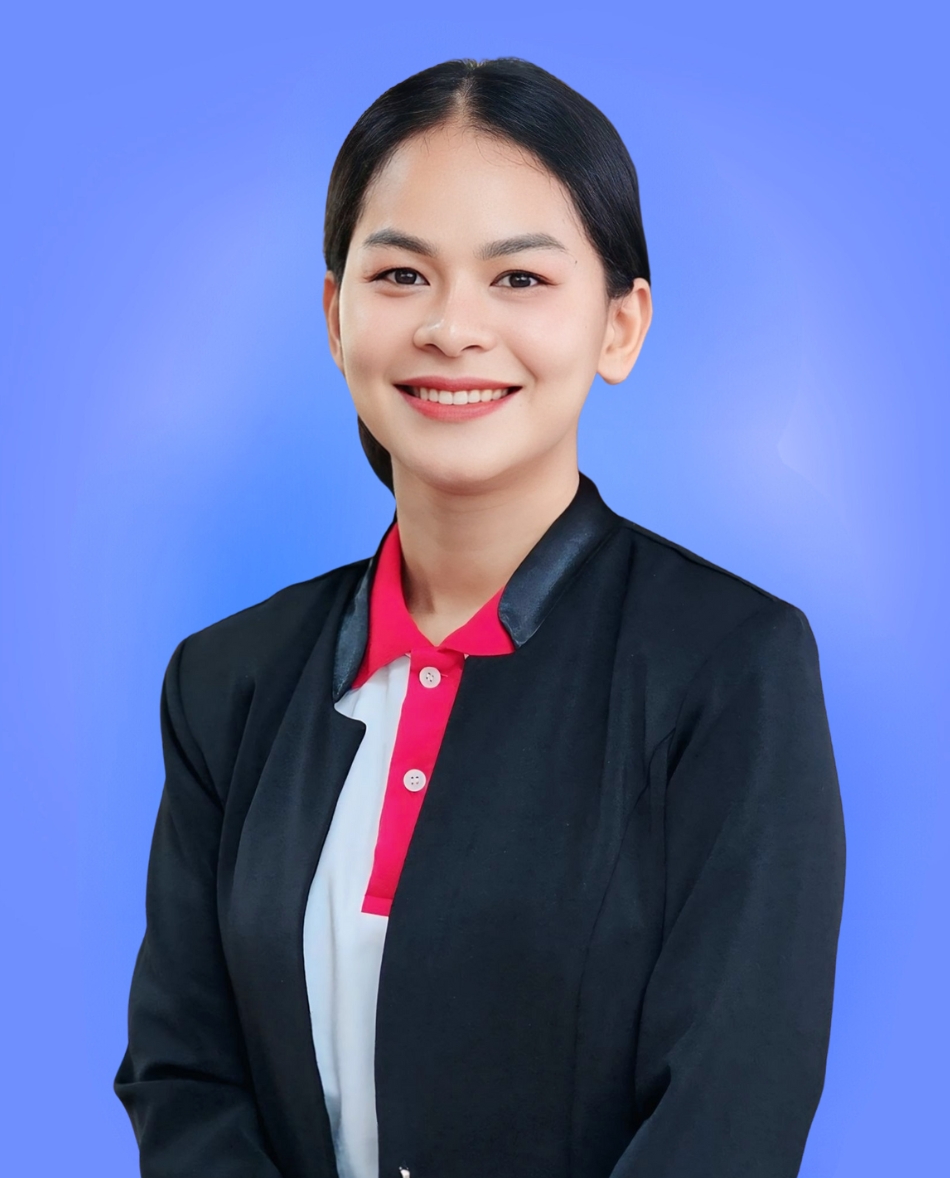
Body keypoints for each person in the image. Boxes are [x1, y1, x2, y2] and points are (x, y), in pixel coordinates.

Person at [115, 58, 845, 1178]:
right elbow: (183, 1073)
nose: (453, 328)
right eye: (401, 274)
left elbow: (730, 1107)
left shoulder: (729, 668)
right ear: (335, 315)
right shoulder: (227, 680)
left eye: (518, 279)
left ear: (620, 325)